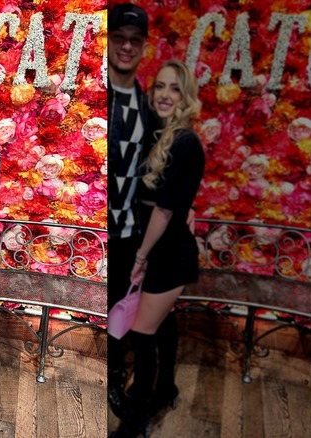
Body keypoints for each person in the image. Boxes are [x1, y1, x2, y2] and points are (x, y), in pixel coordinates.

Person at [111, 59, 204, 438]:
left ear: (186, 97)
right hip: (152, 240)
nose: (165, 95)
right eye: (160, 87)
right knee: (161, 322)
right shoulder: (156, 133)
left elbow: (166, 209)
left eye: (175, 88)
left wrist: (140, 256)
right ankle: (165, 388)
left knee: (143, 332)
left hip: (168, 250)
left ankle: (136, 419)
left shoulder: (186, 141)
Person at [105, 2, 157, 420]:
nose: (125, 46)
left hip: (131, 233)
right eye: (118, 38)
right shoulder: (101, 97)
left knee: (123, 311)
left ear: (143, 46)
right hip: (103, 232)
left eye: (133, 40)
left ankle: (116, 384)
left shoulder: (149, 104)